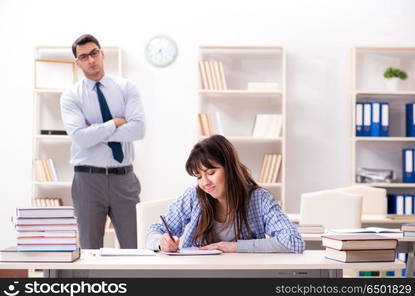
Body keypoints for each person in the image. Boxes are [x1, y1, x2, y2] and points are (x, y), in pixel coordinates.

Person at [146, 135, 304, 253]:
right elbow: (154, 230)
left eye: (211, 172)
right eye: (199, 176)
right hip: (198, 276)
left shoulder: (259, 199)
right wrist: (162, 241)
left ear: (229, 168)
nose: (205, 182)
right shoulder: (194, 197)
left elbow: (293, 241)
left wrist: (234, 247)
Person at [60, 34, 145, 249]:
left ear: (102, 53)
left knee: (134, 247)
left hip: (124, 178)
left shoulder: (127, 88)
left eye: (94, 53)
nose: (91, 60)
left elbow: (138, 130)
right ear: (77, 62)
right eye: (84, 56)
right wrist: (115, 123)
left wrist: (94, 130)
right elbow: (79, 137)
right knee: (89, 249)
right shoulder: (71, 96)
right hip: (87, 180)